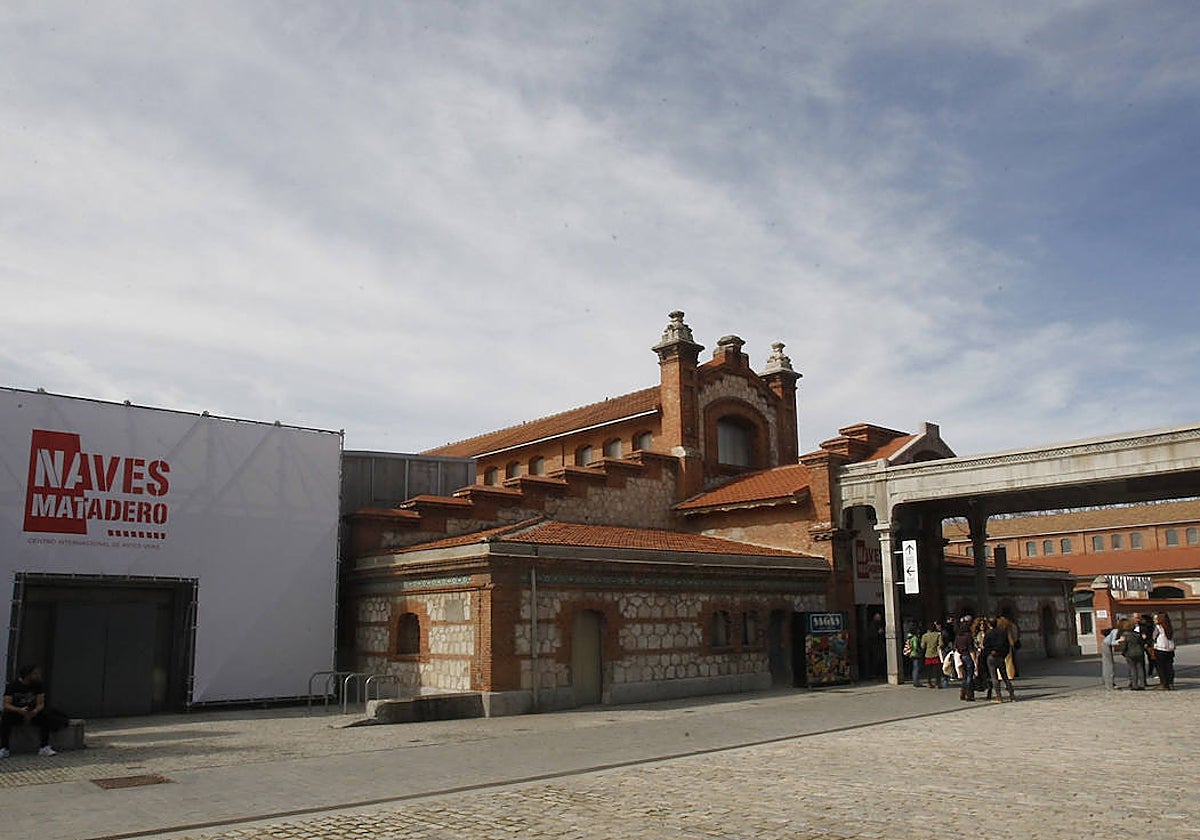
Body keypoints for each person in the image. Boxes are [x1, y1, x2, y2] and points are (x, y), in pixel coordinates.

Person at [1, 664, 60, 757]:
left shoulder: (38, 685)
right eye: (35, 674)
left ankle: (44, 747)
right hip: (18, 713)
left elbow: (41, 703)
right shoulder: (12, 686)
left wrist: (35, 710)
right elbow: (6, 704)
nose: (38, 676)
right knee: (5, 717)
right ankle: (4, 748)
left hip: (32, 713)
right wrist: (19, 710)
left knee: (46, 716)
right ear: (27, 675)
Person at [982, 618, 1016, 703]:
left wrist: (989, 653)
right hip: (1001, 656)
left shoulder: (988, 633)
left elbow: (985, 645)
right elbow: (1006, 644)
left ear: (989, 624)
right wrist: (1003, 654)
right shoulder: (1003, 632)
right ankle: (1012, 695)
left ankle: (999, 697)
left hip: (991, 657)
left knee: (994, 677)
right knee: (1005, 676)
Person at [954, 617, 978, 701]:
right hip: (968, 656)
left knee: (964, 676)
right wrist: (975, 661)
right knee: (969, 676)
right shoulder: (968, 636)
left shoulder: (958, 636)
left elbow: (956, 647)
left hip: (961, 656)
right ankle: (969, 694)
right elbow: (971, 650)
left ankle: (962, 693)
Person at [1119, 618, 1146, 690]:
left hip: (1130, 653)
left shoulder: (1124, 635)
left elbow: (1123, 646)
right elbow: (1142, 643)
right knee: (1140, 668)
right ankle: (1142, 684)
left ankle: (1135, 685)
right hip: (1139, 652)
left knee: (1133, 669)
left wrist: (1122, 652)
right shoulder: (1137, 634)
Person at [1152, 613, 1176, 690]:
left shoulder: (1158, 627)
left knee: (1161, 667)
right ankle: (1170, 683)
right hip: (1169, 649)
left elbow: (1154, 636)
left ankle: (1163, 683)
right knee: (1169, 666)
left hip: (1160, 648)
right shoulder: (1169, 626)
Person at [920, 621, 943, 688]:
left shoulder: (925, 636)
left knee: (929, 670)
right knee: (937, 670)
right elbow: (941, 644)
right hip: (936, 654)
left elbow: (922, 646)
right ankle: (937, 684)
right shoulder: (938, 635)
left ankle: (929, 683)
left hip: (928, 655)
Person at [1100, 625, 1120, 690]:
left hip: (1106, 644)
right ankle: (1109, 684)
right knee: (1109, 664)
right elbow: (1113, 642)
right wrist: (1120, 641)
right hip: (1106, 645)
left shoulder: (1116, 631)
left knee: (1107, 663)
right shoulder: (1116, 631)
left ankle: (1106, 681)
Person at [904, 622, 923, 687]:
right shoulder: (914, 638)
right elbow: (915, 647)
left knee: (914, 667)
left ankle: (915, 681)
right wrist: (920, 650)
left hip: (911, 654)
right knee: (916, 668)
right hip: (915, 654)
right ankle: (916, 682)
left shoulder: (909, 637)